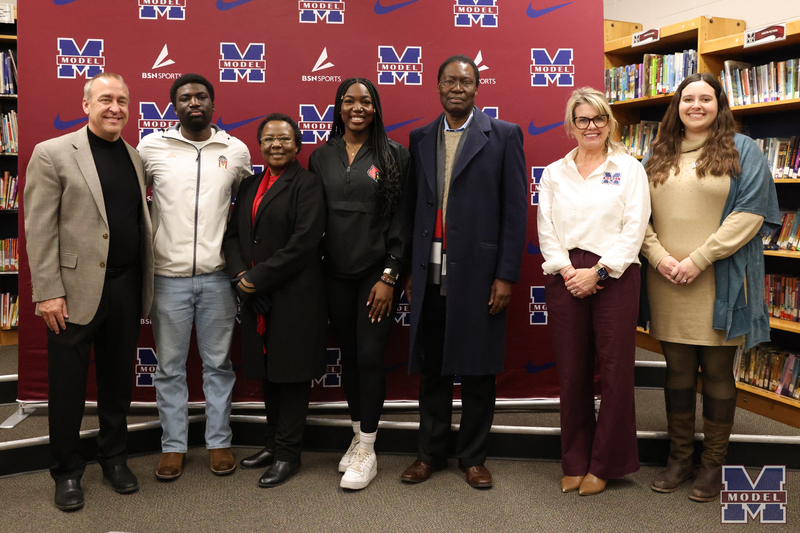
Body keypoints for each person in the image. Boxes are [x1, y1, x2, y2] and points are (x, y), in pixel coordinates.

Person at [641, 72, 780, 502]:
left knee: (718, 372)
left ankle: (712, 465)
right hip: (666, 279)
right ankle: (679, 458)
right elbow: (636, 213)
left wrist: (698, 259)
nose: (696, 106)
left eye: (706, 98)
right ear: (676, 106)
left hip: (719, 279)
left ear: (720, 104)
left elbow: (751, 214)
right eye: (688, 99)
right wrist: (659, 256)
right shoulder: (657, 152)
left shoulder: (744, 150)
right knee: (677, 370)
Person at [24, 72, 154, 511]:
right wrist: (47, 292)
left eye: (122, 100)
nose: (114, 107)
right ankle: (66, 470)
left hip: (126, 286)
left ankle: (114, 458)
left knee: (118, 383)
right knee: (67, 387)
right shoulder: (53, 153)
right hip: (71, 291)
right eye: (105, 99)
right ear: (86, 105)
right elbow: (39, 228)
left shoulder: (134, 157)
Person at [401, 55, 527, 489]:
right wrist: (410, 271)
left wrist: (506, 275)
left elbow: (515, 211)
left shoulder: (504, 135)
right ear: (437, 86)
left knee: (477, 371)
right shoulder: (419, 138)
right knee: (433, 370)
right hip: (430, 273)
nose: (457, 87)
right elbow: (411, 209)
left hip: (480, 274)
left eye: (466, 81)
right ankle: (429, 455)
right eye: (450, 81)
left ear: (477, 88)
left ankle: (473, 457)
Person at [137, 73, 252, 480]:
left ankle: (219, 442)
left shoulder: (234, 150)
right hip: (166, 278)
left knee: (218, 365)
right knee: (169, 367)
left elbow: (251, 211)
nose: (194, 102)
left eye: (201, 96)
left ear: (213, 103)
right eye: (185, 97)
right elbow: (132, 205)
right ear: (174, 106)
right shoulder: (152, 146)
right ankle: (173, 446)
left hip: (219, 278)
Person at [537, 87, 650, 496]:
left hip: (615, 276)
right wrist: (570, 271)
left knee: (617, 373)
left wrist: (598, 274)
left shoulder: (630, 169)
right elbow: (546, 231)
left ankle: (606, 463)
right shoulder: (554, 172)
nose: (591, 126)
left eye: (599, 118)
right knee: (572, 372)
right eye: (583, 119)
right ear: (571, 125)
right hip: (565, 276)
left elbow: (634, 229)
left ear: (610, 123)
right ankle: (575, 460)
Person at [308, 78, 410, 490]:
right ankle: (357, 436)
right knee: (349, 356)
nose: (357, 107)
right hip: (334, 274)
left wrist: (390, 275)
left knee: (369, 356)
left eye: (365, 101)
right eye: (349, 101)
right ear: (338, 106)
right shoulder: (321, 156)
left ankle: (369, 446)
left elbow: (402, 220)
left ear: (376, 107)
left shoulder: (395, 154)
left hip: (376, 276)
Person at [223, 114, 326, 488]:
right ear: (259, 146)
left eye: (284, 139)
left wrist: (255, 280)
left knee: (292, 376)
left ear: (298, 145)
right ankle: (271, 444)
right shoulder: (250, 184)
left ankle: (288, 454)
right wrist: (240, 277)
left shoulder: (309, 184)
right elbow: (233, 236)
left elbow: (303, 244)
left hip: (295, 297)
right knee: (268, 374)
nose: (275, 145)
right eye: (268, 140)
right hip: (256, 296)